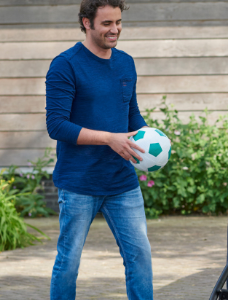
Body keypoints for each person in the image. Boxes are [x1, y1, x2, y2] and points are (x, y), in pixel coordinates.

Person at [45, 0, 154, 299]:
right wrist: (109, 138)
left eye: (118, 22)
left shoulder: (125, 62)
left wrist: (150, 137)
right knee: (68, 262)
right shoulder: (65, 65)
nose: (115, 29)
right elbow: (57, 125)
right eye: (106, 23)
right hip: (79, 183)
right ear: (86, 23)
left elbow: (131, 113)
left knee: (140, 256)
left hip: (122, 182)